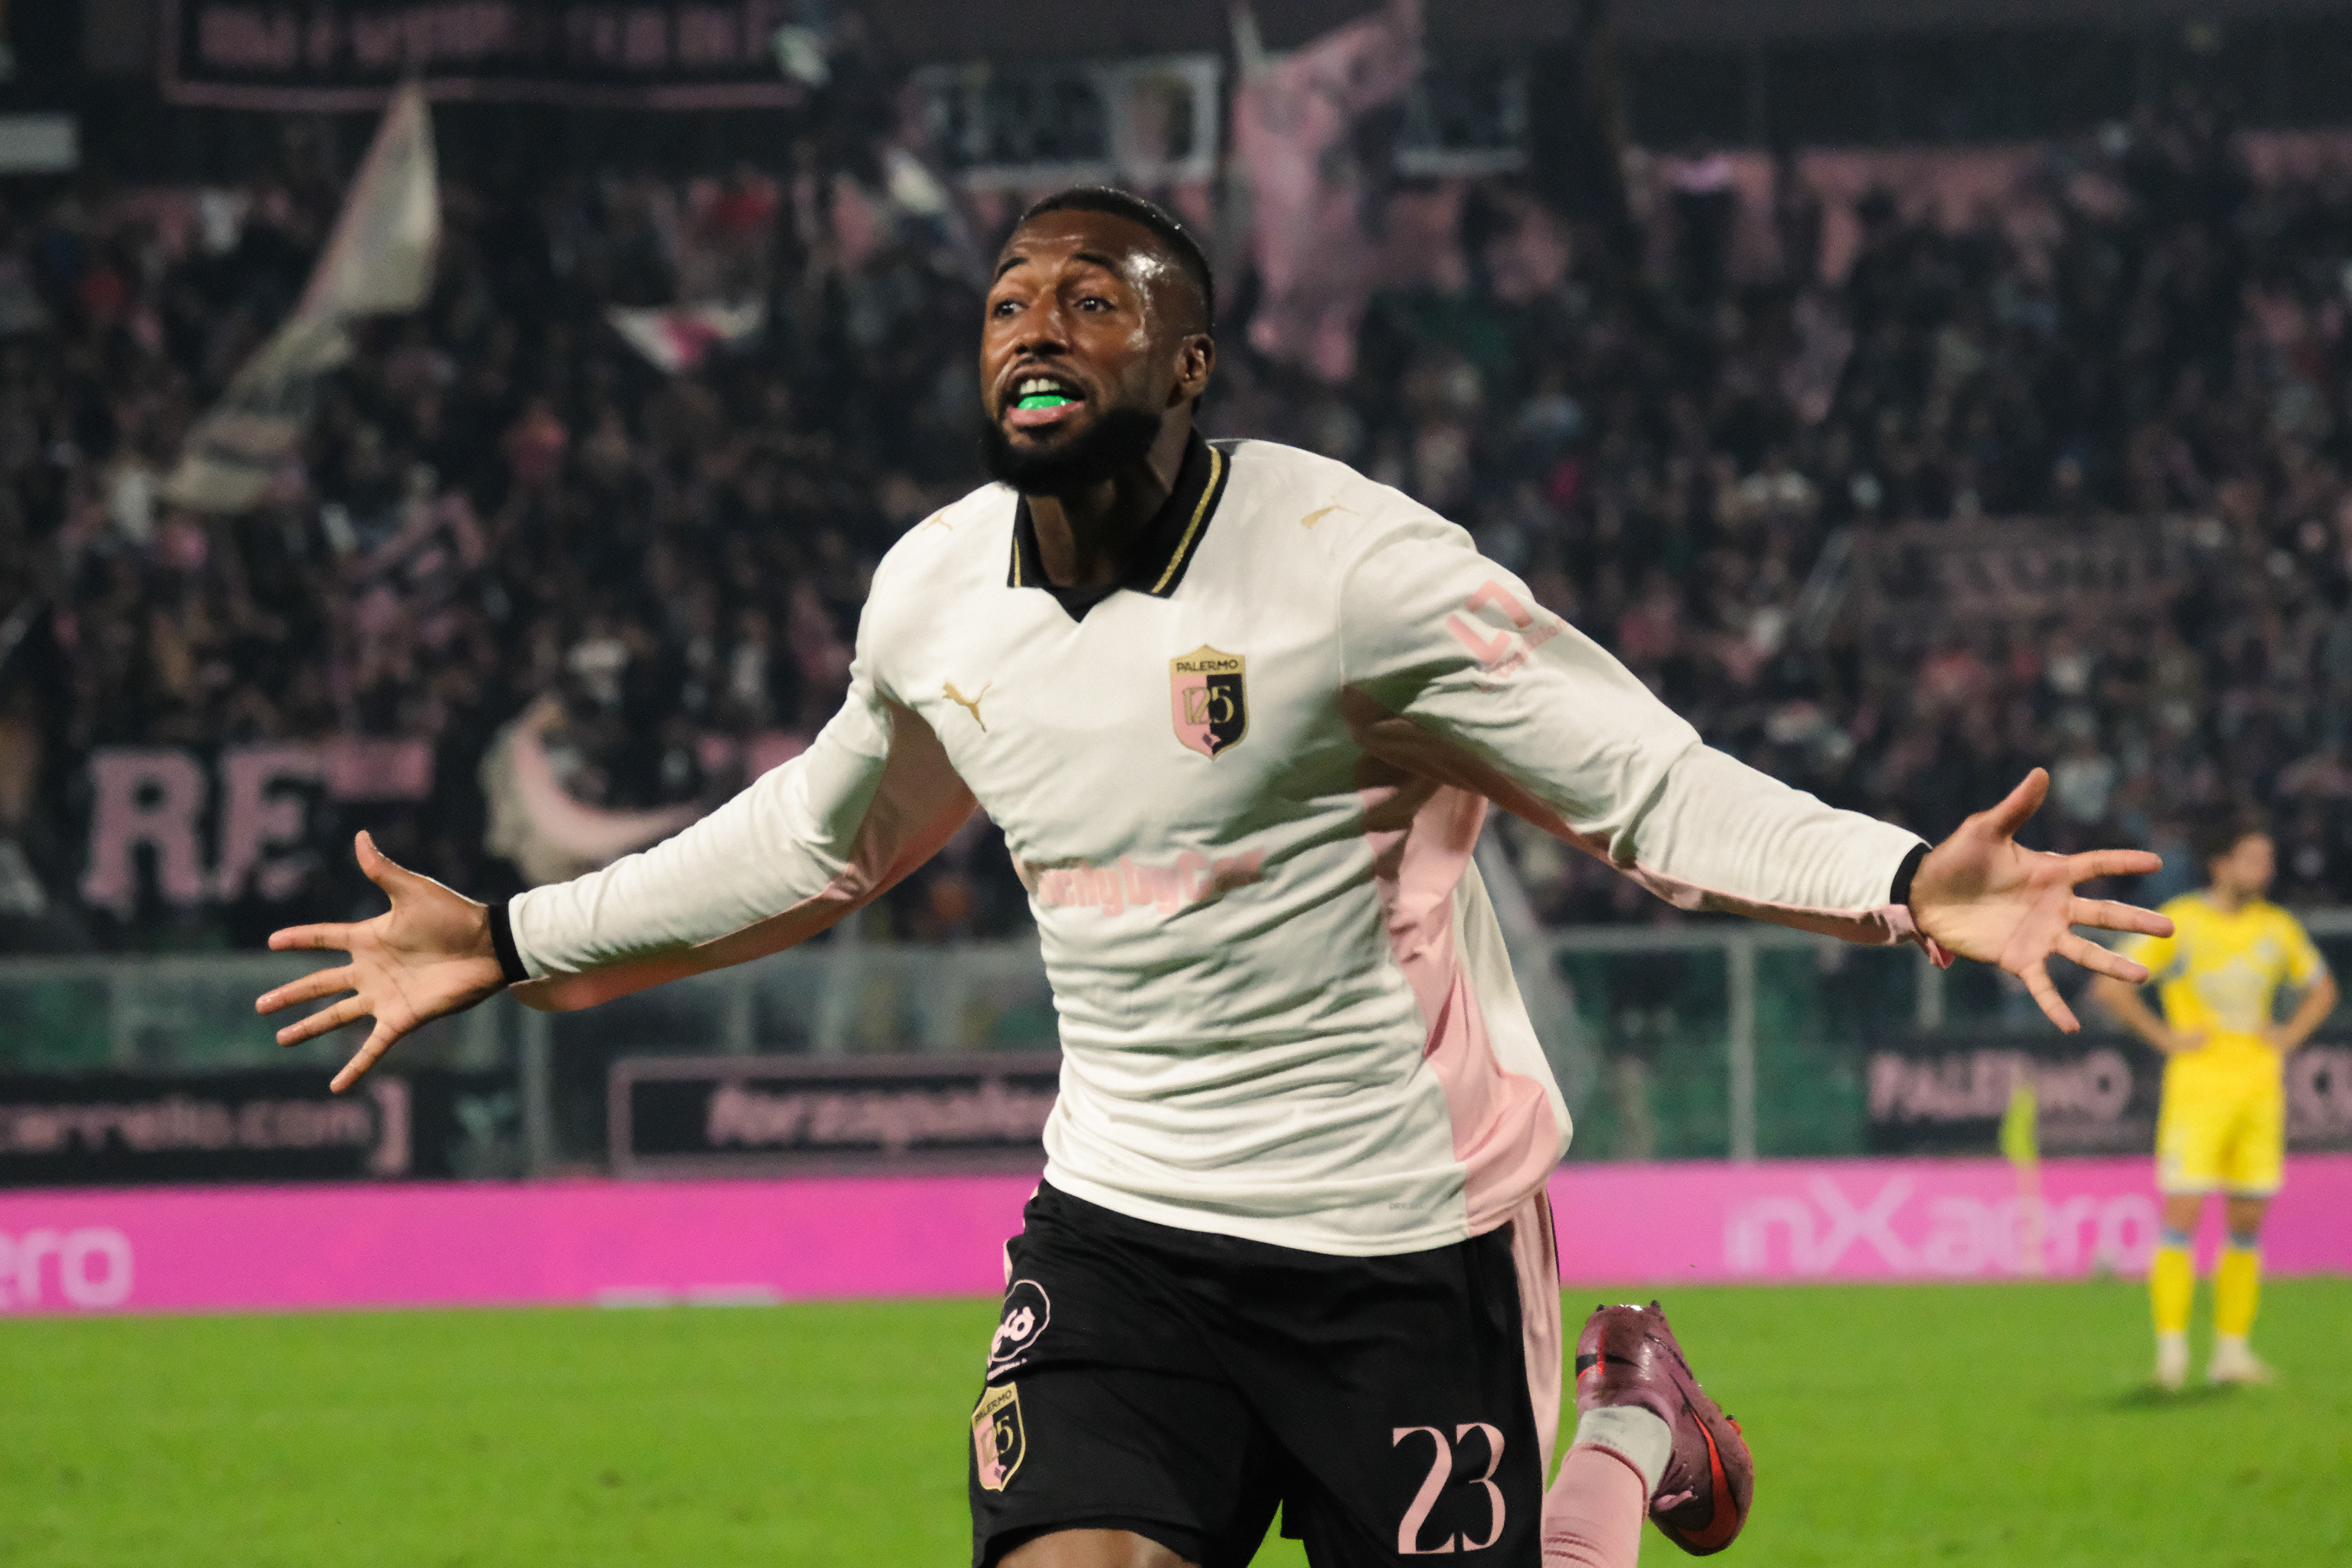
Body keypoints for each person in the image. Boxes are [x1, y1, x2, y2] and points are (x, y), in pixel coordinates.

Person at [258, 189, 2169, 1568]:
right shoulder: (935, 593)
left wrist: (1912, 879)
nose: (1032, 320)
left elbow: (1648, 790)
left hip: (1402, 1245)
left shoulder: (1361, 574)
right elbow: (821, 837)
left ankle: (1623, 1415)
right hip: (1126, 1239)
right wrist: (512, 938)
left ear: (1185, 360)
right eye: (1008, 295)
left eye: (1090, 297)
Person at [2092, 815, 2336, 1391]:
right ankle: (2172, 1357)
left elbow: (2322, 989)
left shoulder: (2278, 929)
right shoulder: (2182, 922)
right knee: (2183, 1217)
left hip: (2260, 1090)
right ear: (2220, 864)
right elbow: (2110, 984)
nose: (2265, 870)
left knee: (2247, 1222)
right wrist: (2167, 1040)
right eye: (2252, 858)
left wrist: (2288, 1036)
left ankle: (2231, 1354)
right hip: (2198, 1090)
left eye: (2267, 859)